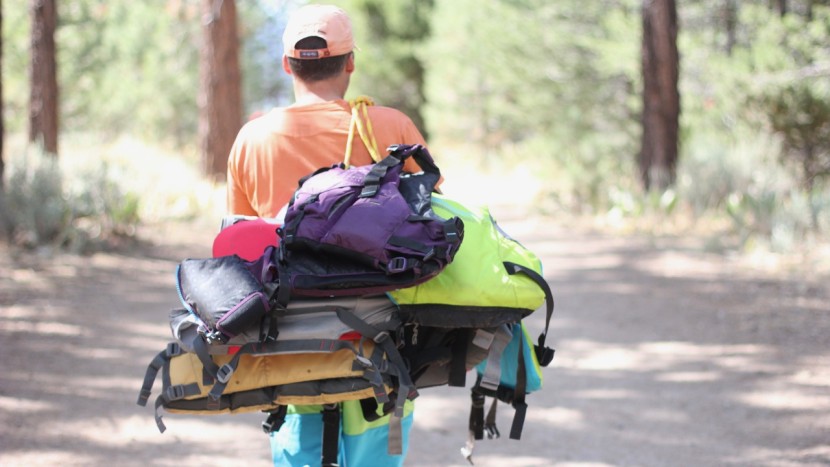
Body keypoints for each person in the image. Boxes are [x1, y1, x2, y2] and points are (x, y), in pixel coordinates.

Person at [226, 4, 432, 466]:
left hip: (288, 344)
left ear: (287, 65)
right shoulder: (391, 126)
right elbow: (432, 215)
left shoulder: (252, 139)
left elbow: (238, 240)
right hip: (380, 338)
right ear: (351, 62)